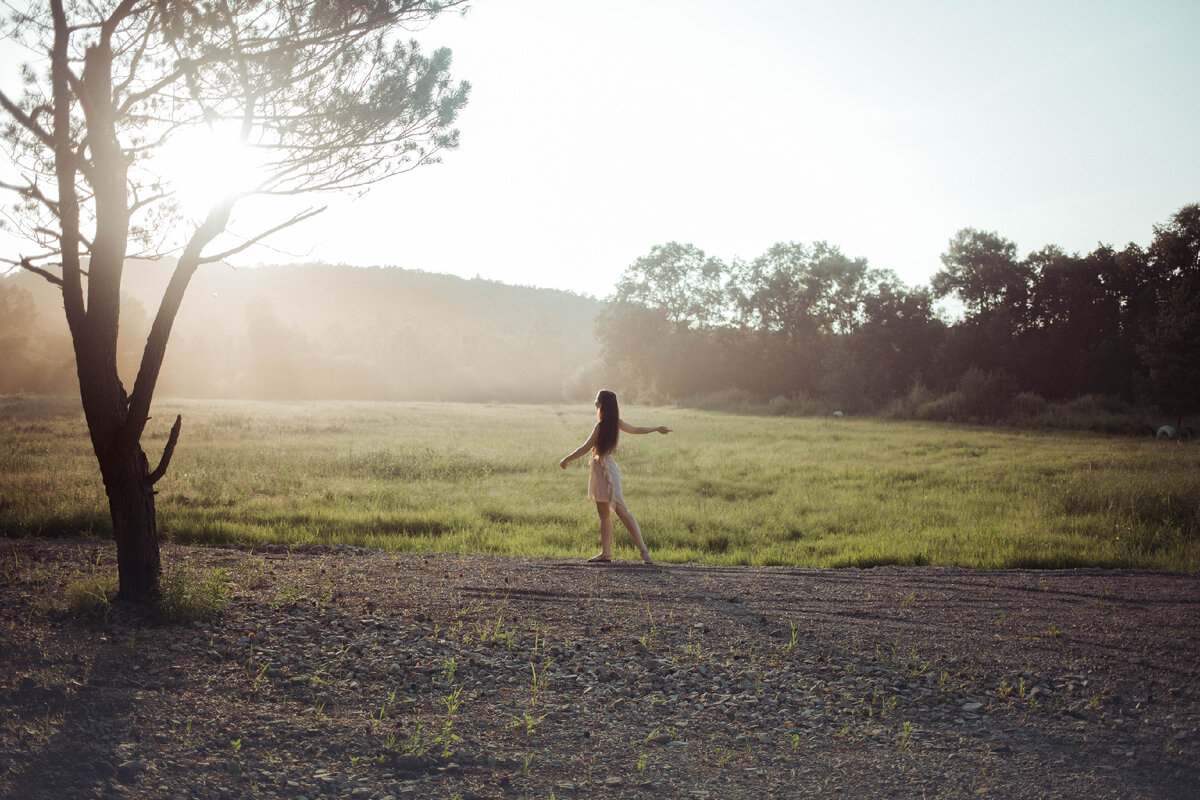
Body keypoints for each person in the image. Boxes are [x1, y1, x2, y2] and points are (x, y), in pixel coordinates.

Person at [559, 390, 672, 564]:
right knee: (603, 513)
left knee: (621, 511)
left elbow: (585, 447)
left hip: (606, 469)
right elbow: (636, 429)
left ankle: (645, 553)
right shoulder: (613, 423)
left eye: (597, 400)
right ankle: (606, 554)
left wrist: (566, 459)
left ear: (603, 404)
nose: (595, 402)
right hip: (599, 469)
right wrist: (656, 429)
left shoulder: (604, 425)